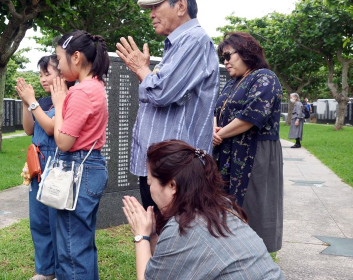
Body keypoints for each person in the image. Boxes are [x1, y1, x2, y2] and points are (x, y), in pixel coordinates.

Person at [122, 140, 284, 280]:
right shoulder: (222, 207)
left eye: (150, 183)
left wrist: (141, 236)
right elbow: (168, 269)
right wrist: (152, 236)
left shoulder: (182, 227)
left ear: (172, 186)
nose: (149, 190)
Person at [115, 0, 219, 216]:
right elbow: (162, 91)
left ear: (181, 6)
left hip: (176, 170)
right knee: (158, 233)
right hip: (162, 166)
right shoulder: (179, 45)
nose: (151, 14)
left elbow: (161, 93)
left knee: (173, 237)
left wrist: (142, 68)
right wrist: (143, 72)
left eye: (155, 7)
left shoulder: (194, 40)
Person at [213, 32, 284, 253]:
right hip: (227, 153)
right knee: (223, 211)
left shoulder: (265, 78)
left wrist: (220, 134)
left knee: (251, 212)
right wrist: (214, 129)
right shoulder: (232, 83)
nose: (225, 62)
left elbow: (251, 116)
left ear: (245, 52)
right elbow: (217, 109)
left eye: (228, 56)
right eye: (222, 58)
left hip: (254, 155)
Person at [49, 30, 110, 279]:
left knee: (71, 250)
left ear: (75, 57)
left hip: (77, 169)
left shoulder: (81, 92)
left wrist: (61, 102)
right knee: (82, 244)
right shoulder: (96, 86)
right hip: (89, 167)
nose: (58, 66)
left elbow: (63, 141)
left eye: (60, 59)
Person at [15, 55, 64, 280]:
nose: (43, 79)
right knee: (39, 221)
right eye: (41, 74)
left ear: (61, 73)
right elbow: (28, 130)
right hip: (37, 167)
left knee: (57, 222)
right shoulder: (42, 102)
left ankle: (61, 270)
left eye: (48, 73)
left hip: (57, 168)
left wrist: (32, 102)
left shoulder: (66, 99)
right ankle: (45, 270)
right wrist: (27, 103)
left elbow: (53, 128)